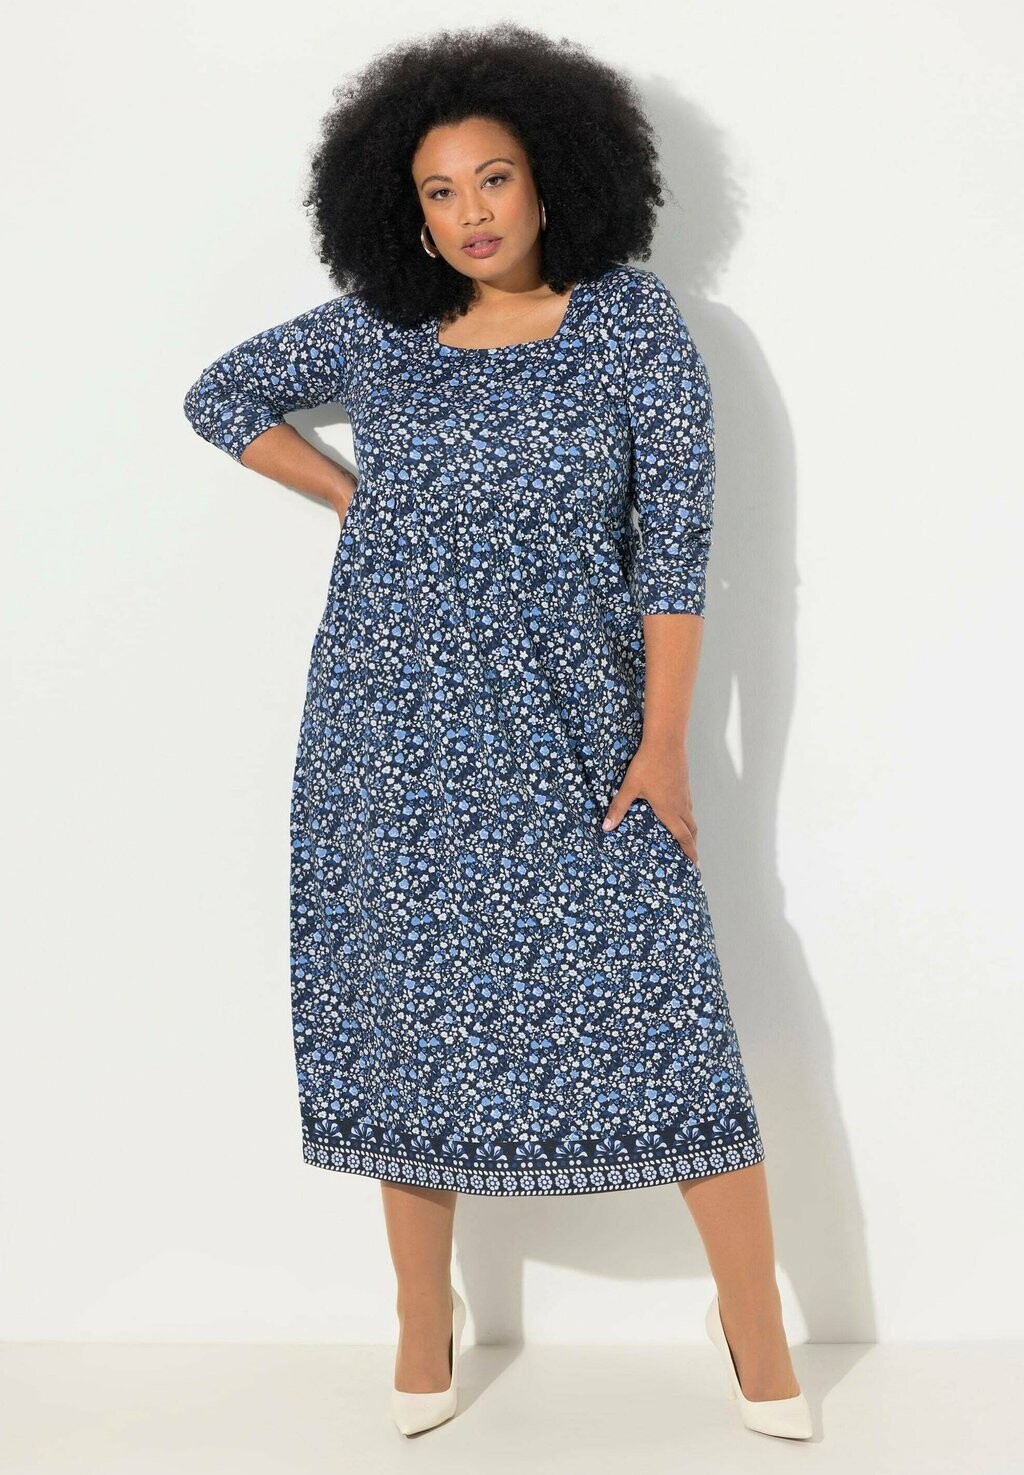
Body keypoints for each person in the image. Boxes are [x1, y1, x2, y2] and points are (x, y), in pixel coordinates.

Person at [183, 22, 812, 1444]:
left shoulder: (633, 326)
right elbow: (219, 395)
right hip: (386, 736)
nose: (470, 212)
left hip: (581, 735)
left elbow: (678, 554)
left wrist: (665, 744)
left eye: (494, 178)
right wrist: (352, 496)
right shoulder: (383, 332)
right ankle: (424, 1314)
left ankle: (755, 1316)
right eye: (439, 191)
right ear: (403, 211)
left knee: (667, 1012)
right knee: (402, 1019)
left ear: (552, 179)